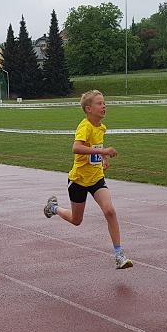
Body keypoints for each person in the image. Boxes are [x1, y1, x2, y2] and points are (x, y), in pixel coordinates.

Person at [43, 89, 132, 269]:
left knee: (110, 211)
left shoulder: (101, 128)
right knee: (76, 220)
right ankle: (53, 208)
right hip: (78, 181)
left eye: (104, 103)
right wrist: (103, 151)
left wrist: (104, 158)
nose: (104, 106)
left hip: (96, 178)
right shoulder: (85, 126)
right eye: (100, 103)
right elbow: (76, 148)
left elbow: (96, 147)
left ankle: (119, 254)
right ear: (89, 109)